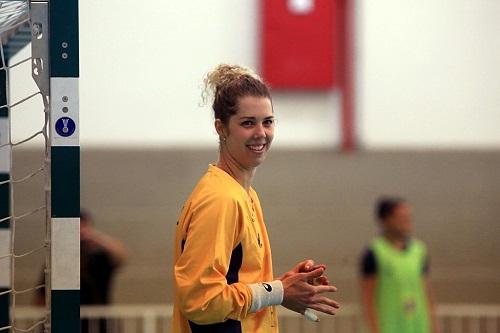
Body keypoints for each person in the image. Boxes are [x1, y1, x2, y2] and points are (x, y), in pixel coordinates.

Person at [172, 64, 340, 332]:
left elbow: (235, 283)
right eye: (248, 123)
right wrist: (277, 291)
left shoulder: (244, 195)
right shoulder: (221, 199)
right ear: (221, 128)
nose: (261, 133)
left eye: (268, 122)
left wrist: (285, 287)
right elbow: (201, 302)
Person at [360, 197, 440, 333]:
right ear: (385, 220)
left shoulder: (419, 250)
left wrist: (434, 326)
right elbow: (368, 299)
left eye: (408, 217)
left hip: (418, 326)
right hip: (389, 326)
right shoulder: (374, 253)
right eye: (401, 217)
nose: (407, 221)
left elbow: (427, 292)